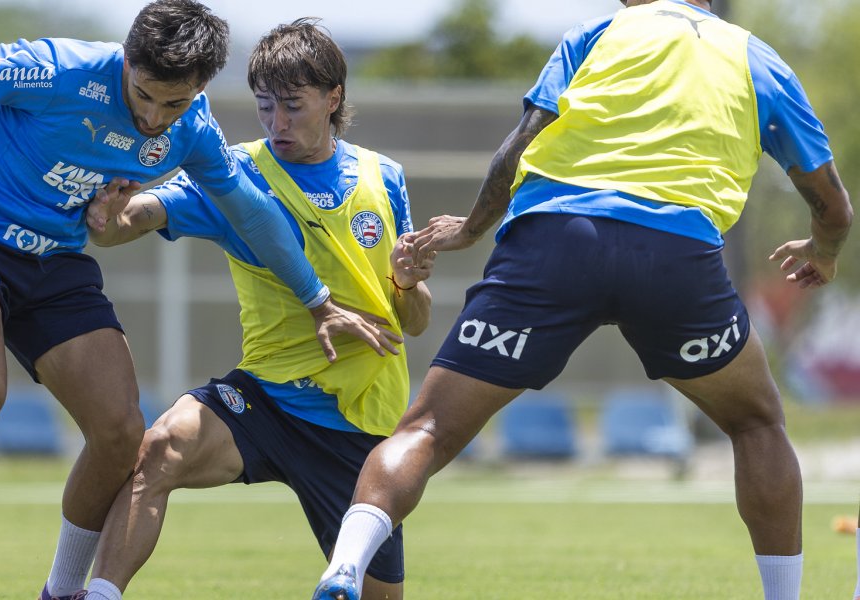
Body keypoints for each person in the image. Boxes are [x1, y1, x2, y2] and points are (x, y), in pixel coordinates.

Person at [0, 2, 396, 598]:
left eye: (172, 103)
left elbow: (252, 213)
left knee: (122, 433)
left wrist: (317, 301)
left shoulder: (194, 129)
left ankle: (62, 590)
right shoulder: (57, 70)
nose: (153, 118)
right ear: (126, 61)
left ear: (200, 88)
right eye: (143, 95)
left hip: (56, 263)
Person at [312, 1, 853, 599]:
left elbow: (520, 144)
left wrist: (470, 229)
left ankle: (345, 567)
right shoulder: (756, 58)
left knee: (429, 427)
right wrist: (823, 253)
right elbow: (832, 205)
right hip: (673, 255)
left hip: (553, 242)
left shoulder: (599, 31)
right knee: (757, 422)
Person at [73, 18, 430, 600]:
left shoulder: (382, 176)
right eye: (266, 107)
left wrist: (410, 286)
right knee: (161, 450)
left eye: (292, 105)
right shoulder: (237, 174)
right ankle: (99, 595)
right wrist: (113, 216)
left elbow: (413, 323)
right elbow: (136, 219)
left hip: (359, 424)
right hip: (266, 397)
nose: (277, 122)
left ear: (333, 97)